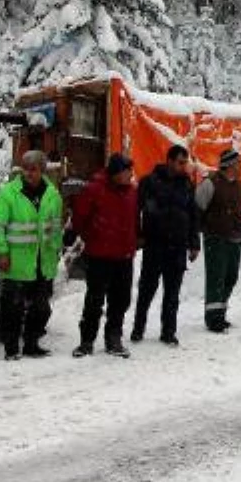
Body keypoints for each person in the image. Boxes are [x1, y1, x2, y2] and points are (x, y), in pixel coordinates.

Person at [0, 150, 64, 360]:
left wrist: (56, 249)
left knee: (42, 309)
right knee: (12, 309)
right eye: (26, 169)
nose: (29, 173)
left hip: (43, 261)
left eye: (34, 169)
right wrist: (2, 252)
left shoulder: (52, 193)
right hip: (16, 262)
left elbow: (56, 225)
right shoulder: (8, 193)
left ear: (42, 170)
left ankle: (31, 344)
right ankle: (11, 349)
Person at [69, 153, 139, 358]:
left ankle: (113, 339)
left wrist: (134, 241)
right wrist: (93, 237)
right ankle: (86, 341)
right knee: (94, 300)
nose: (131, 175)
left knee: (120, 300)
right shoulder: (94, 190)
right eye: (127, 171)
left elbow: (135, 220)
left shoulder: (132, 193)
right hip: (100, 255)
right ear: (116, 172)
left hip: (124, 256)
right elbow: (80, 218)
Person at [132, 145, 200, 346]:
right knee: (147, 290)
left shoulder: (187, 184)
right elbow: (135, 211)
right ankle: (138, 329)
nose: (183, 166)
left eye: (185, 162)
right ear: (169, 161)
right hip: (155, 244)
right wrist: (139, 235)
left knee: (172, 293)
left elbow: (193, 215)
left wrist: (194, 243)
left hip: (177, 247)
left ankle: (168, 331)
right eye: (180, 162)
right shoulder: (149, 182)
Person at [195, 149, 241, 333]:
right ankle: (212, 318)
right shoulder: (210, 183)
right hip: (216, 239)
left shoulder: (239, 185)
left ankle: (221, 313)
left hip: (235, 238)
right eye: (238, 162)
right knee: (216, 277)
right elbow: (197, 208)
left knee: (230, 277)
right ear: (230, 164)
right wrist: (205, 230)